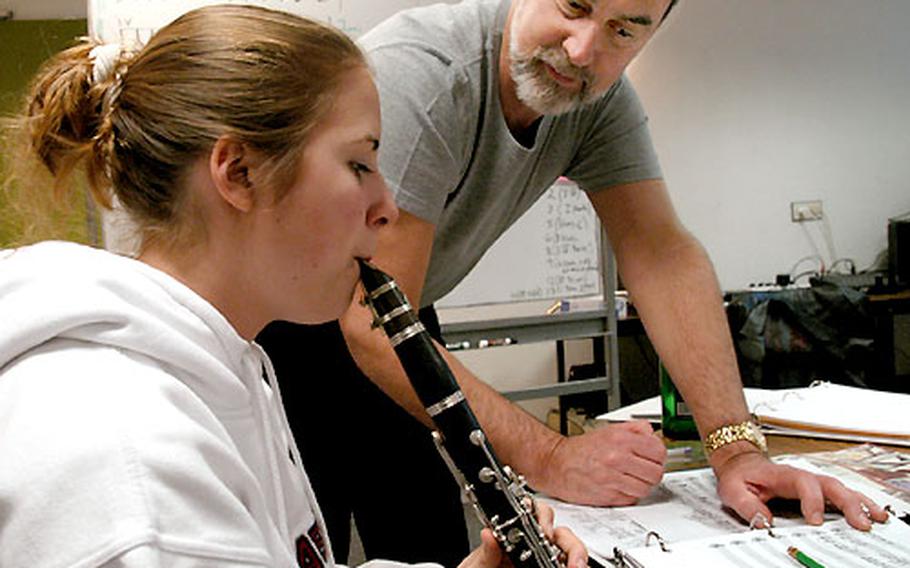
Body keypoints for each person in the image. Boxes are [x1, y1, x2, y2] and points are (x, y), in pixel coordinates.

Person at [257, 0, 890, 564]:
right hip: (284, 332)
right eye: (574, 6)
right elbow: (365, 318)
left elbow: (661, 253)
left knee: (432, 542)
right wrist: (553, 457)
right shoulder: (426, 76)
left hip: (403, 319)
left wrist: (737, 451)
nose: (585, 49)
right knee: (300, 545)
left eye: (623, 30)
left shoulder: (600, 103)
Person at [0, 5, 587, 568]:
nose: (387, 206)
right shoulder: (138, 469)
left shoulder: (227, 368)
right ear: (240, 173)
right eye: (359, 164)